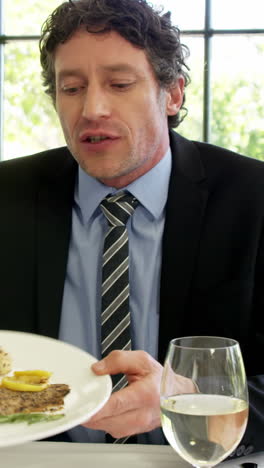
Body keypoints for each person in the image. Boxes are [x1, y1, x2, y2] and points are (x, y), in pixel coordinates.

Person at [0, 0, 263, 457]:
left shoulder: (255, 199)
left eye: (120, 84)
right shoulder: (5, 197)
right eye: (72, 88)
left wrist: (190, 401)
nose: (92, 108)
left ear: (173, 94)